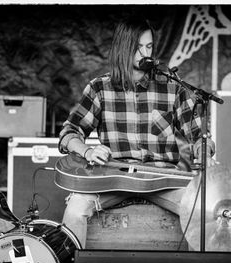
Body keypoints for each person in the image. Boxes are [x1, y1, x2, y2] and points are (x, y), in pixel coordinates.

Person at [58, 17, 217, 248]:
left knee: (205, 211)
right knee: (75, 209)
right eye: (139, 47)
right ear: (124, 48)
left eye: (149, 46)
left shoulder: (171, 86)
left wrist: (204, 150)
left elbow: (198, 135)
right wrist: (87, 151)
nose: (146, 53)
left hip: (162, 179)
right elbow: (69, 132)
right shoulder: (99, 87)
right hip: (113, 180)